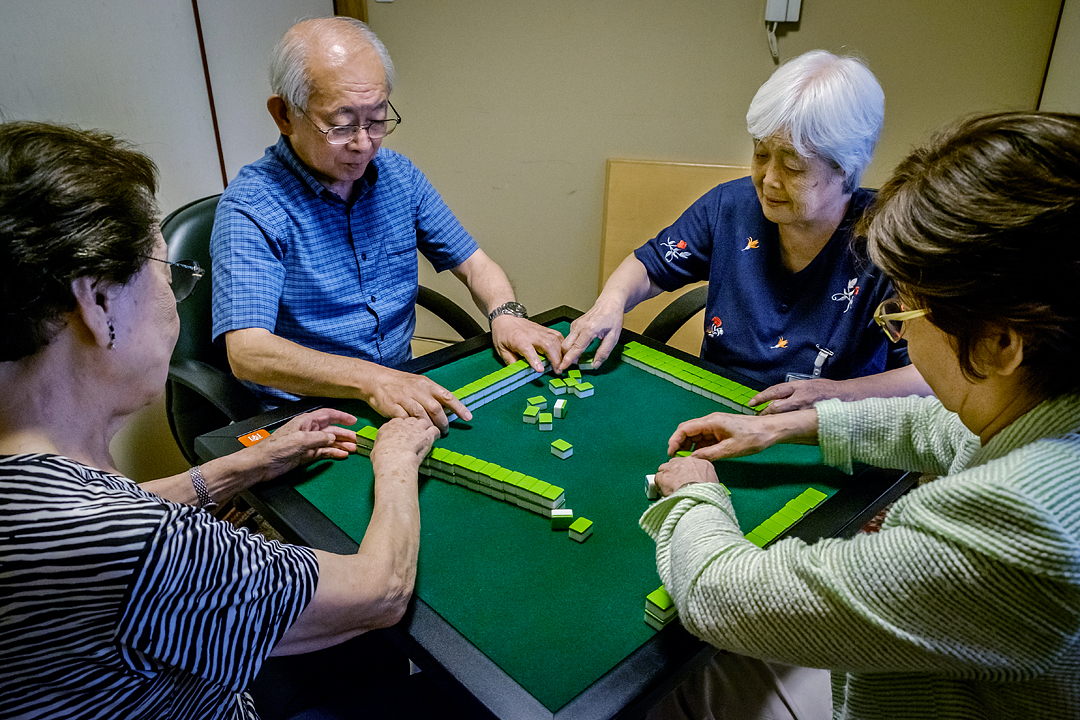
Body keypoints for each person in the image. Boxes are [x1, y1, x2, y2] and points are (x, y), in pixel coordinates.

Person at [640, 111, 1080, 718]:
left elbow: (724, 599)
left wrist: (693, 497)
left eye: (904, 313)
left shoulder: (1021, 523)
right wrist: (785, 425)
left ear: (1002, 345)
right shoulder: (1050, 408)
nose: (895, 325)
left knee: (663, 696)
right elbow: (941, 428)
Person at [0, 121, 446, 718]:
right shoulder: (135, 545)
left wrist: (242, 466)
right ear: (97, 300)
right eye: (168, 276)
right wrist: (394, 463)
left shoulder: (42, 485)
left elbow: (94, 516)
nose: (175, 299)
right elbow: (378, 592)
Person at [212, 17, 563, 433]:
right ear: (284, 114)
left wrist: (507, 314)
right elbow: (249, 352)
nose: (363, 143)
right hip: (308, 416)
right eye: (341, 124)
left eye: (376, 119)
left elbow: (474, 264)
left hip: (403, 385)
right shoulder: (251, 207)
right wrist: (370, 380)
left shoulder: (398, 176)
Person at [558, 50, 930, 413]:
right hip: (715, 404)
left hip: (827, 425)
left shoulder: (892, 239)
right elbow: (651, 265)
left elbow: (925, 376)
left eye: (793, 167)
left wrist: (833, 394)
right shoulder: (730, 206)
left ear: (846, 168)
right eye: (760, 154)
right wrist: (608, 305)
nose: (768, 180)